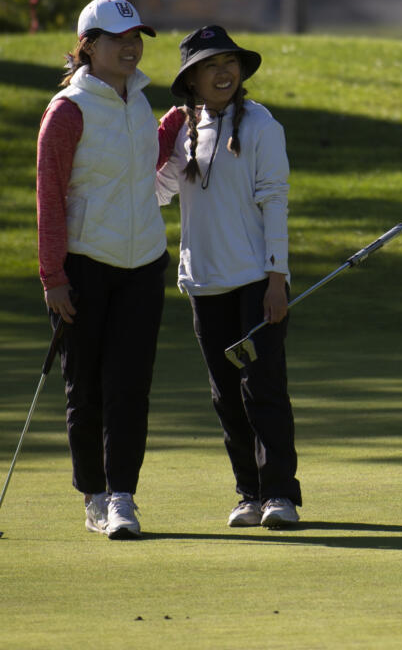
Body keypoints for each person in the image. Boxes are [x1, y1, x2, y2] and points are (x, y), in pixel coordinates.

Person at [156, 26, 302, 528]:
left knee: (261, 388)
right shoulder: (181, 130)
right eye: (209, 65)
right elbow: (158, 194)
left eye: (229, 63)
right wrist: (153, 141)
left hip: (256, 282)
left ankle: (279, 493)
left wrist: (277, 278)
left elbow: (274, 201)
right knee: (225, 394)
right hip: (203, 282)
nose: (223, 72)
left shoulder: (261, 125)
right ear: (190, 80)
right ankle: (248, 493)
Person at [36, 0, 169, 539]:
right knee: (86, 389)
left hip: (142, 265)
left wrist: (174, 128)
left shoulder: (140, 102)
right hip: (86, 267)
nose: (131, 48)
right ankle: (94, 493)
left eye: (136, 38)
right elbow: (50, 197)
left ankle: (123, 497)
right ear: (89, 46)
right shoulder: (67, 110)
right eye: (119, 40)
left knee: (130, 388)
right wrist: (53, 277)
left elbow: (139, 167)